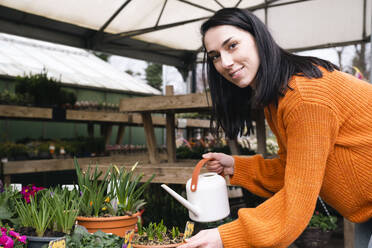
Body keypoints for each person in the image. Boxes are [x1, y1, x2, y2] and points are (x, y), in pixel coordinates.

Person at [178, 7, 372, 248]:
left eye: (232, 46)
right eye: (215, 56)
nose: (225, 63)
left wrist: (225, 236)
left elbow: (298, 199)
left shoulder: (303, 96)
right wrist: (237, 166)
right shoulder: (277, 97)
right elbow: (292, 169)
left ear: (258, 38)